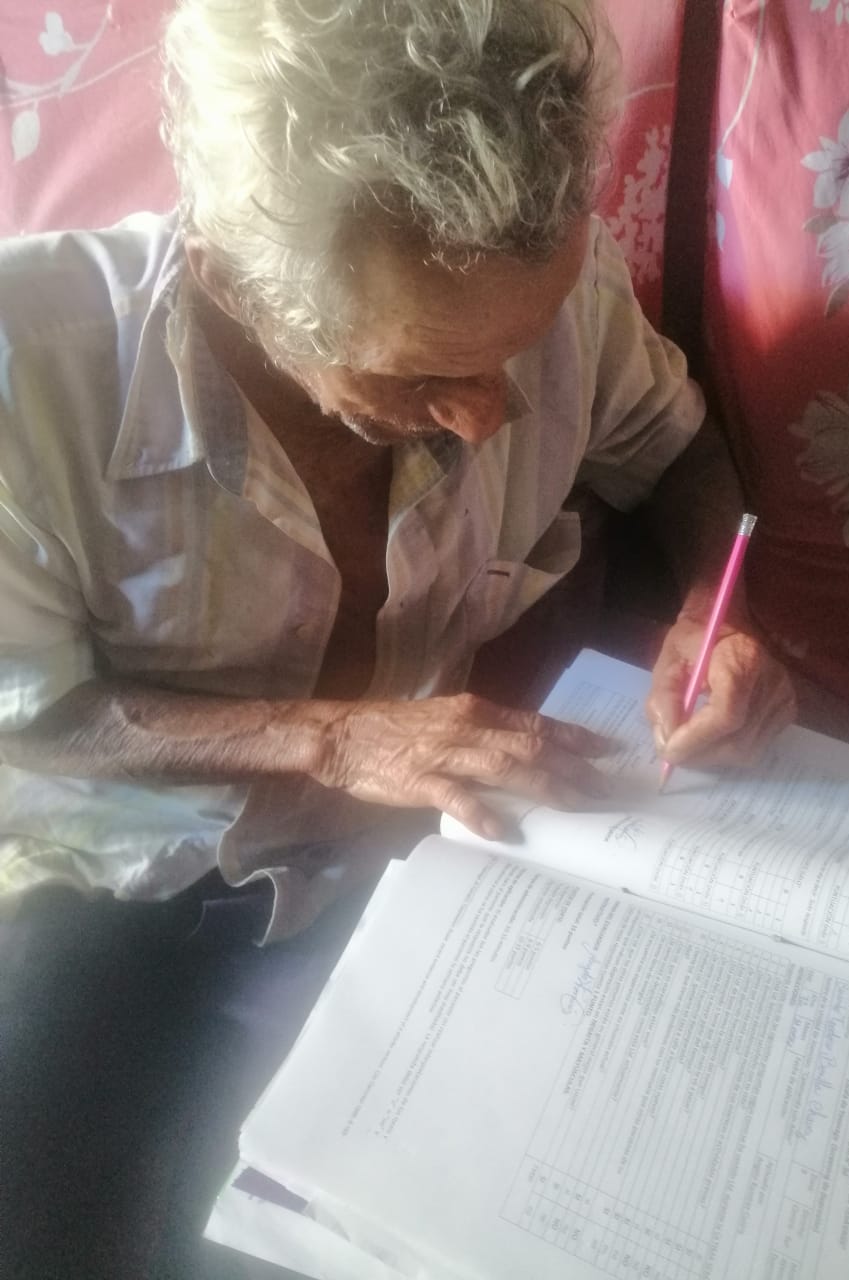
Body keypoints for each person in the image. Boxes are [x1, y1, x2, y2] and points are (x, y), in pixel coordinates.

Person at [0, 0, 794, 1274]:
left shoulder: (563, 286)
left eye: (516, 350)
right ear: (231, 277)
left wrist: (714, 605)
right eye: (418, 376)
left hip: (415, 873)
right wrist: (329, 739)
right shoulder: (26, 372)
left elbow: (685, 454)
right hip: (106, 876)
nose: (486, 418)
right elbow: (30, 710)